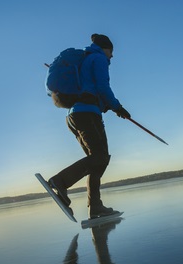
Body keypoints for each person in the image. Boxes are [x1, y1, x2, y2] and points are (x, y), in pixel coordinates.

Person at [48, 34, 131, 219]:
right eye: (111, 51)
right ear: (104, 48)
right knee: (100, 157)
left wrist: (105, 105)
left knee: (99, 161)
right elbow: (102, 86)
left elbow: (91, 90)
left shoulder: (86, 59)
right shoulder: (98, 58)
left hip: (76, 115)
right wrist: (118, 107)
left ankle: (95, 207)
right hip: (86, 114)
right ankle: (60, 181)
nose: (112, 56)